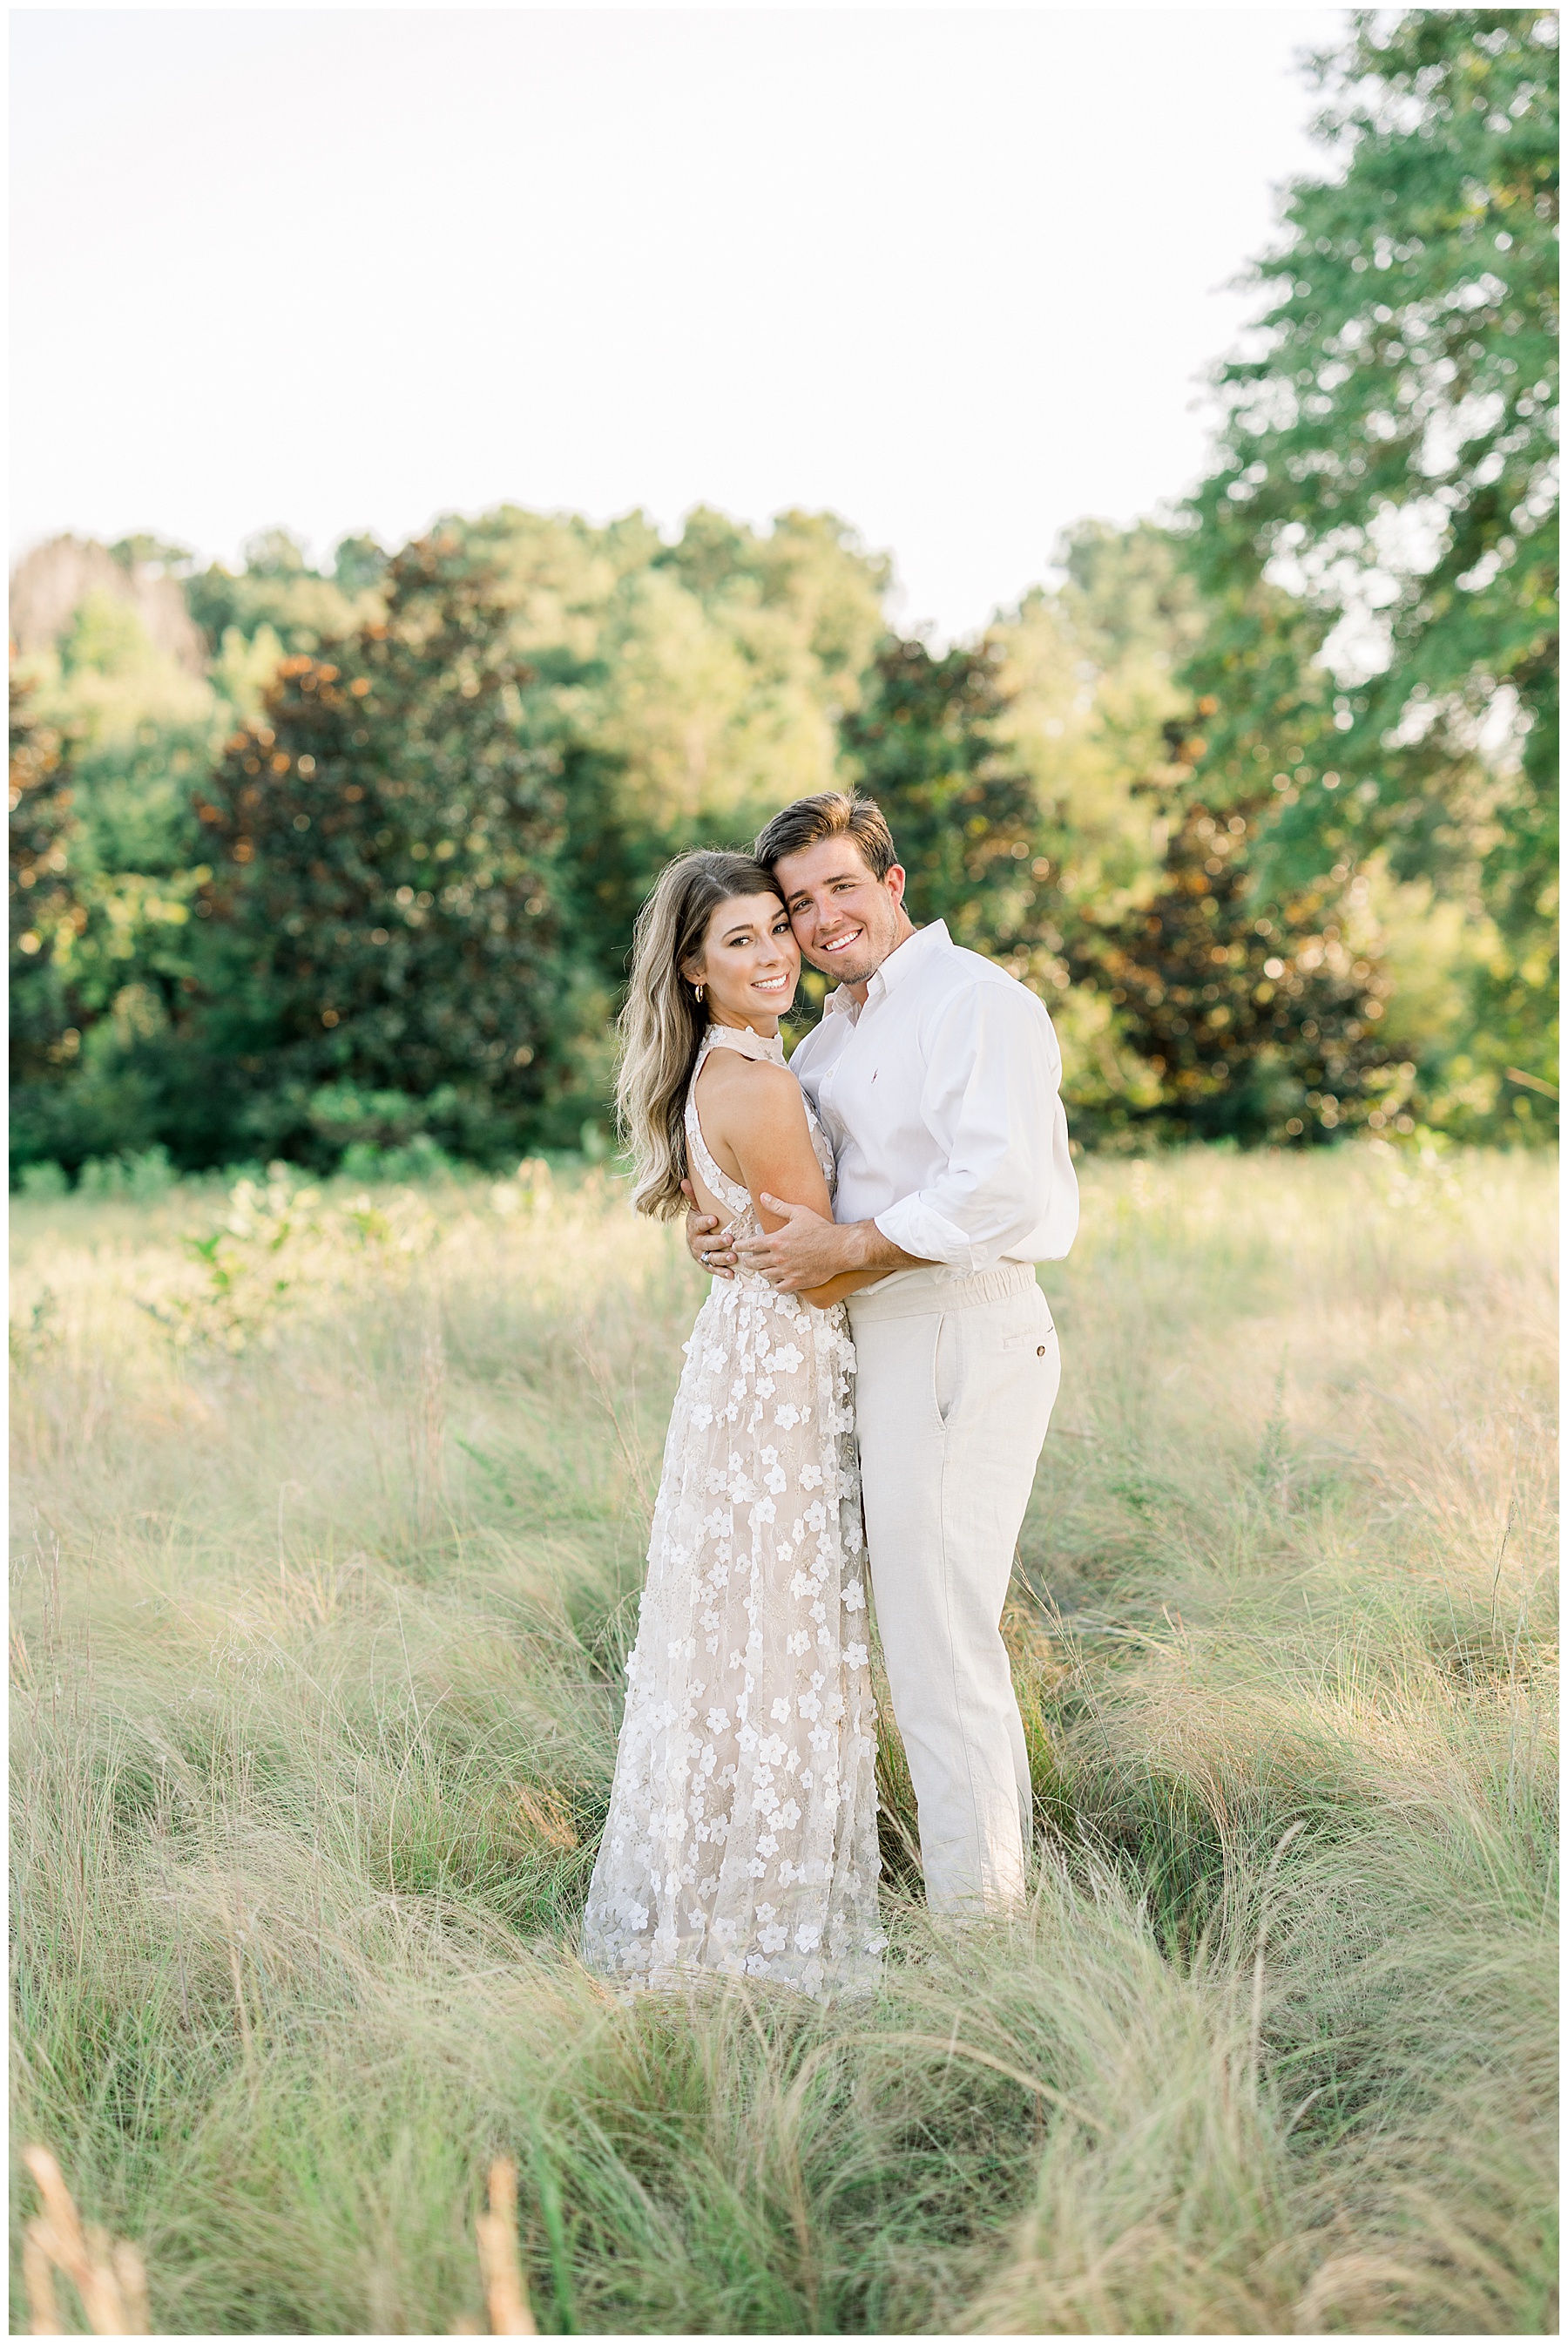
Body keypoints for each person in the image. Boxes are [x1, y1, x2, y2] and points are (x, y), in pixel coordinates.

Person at [686, 793, 1078, 1916]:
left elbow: (999, 1189)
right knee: (918, 1641)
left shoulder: (976, 1003)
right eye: (797, 905)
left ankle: (982, 1930)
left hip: (961, 1327)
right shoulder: (830, 1037)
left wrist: (846, 1248)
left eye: (841, 888)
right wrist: (720, 1228)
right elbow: (790, 1178)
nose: (822, 920)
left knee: (941, 1644)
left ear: (893, 884)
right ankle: (983, 1896)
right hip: (869, 1340)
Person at [581, 849, 887, 1998]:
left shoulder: (732, 1067)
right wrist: (940, 1234)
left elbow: (752, 1223)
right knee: (778, 1641)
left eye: (775, 927)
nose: (773, 956)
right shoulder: (756, 1084)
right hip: (782, 1371)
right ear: (695, 970)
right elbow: (821, 1268)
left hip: (743, 1364)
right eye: (739, 940)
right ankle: (765, 1927)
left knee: (741, 1639)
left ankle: (720, 1901)